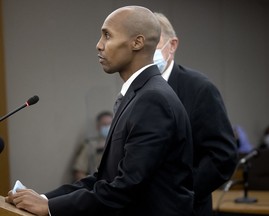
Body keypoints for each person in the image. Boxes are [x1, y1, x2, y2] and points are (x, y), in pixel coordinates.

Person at [6, 6, 195, 216]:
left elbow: (126, 188)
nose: (99, 45)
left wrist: (50, 208)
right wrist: (44, 199)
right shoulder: (137, 95)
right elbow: (104, 178)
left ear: (137, 42)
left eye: (107, 35)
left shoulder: (153, 99)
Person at [153, 12, 238, 216]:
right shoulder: (134, 90)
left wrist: (182, 193)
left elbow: (222, 156)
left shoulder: (198, 88)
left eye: (153, 43)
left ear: (172, 45)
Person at [73, 111, 113, 181]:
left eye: (110, 124)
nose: (108, 127)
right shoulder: (90, 145)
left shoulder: (120, 143)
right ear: (97, 127)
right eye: (104, 124)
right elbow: (79, 172)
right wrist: (93, 188)